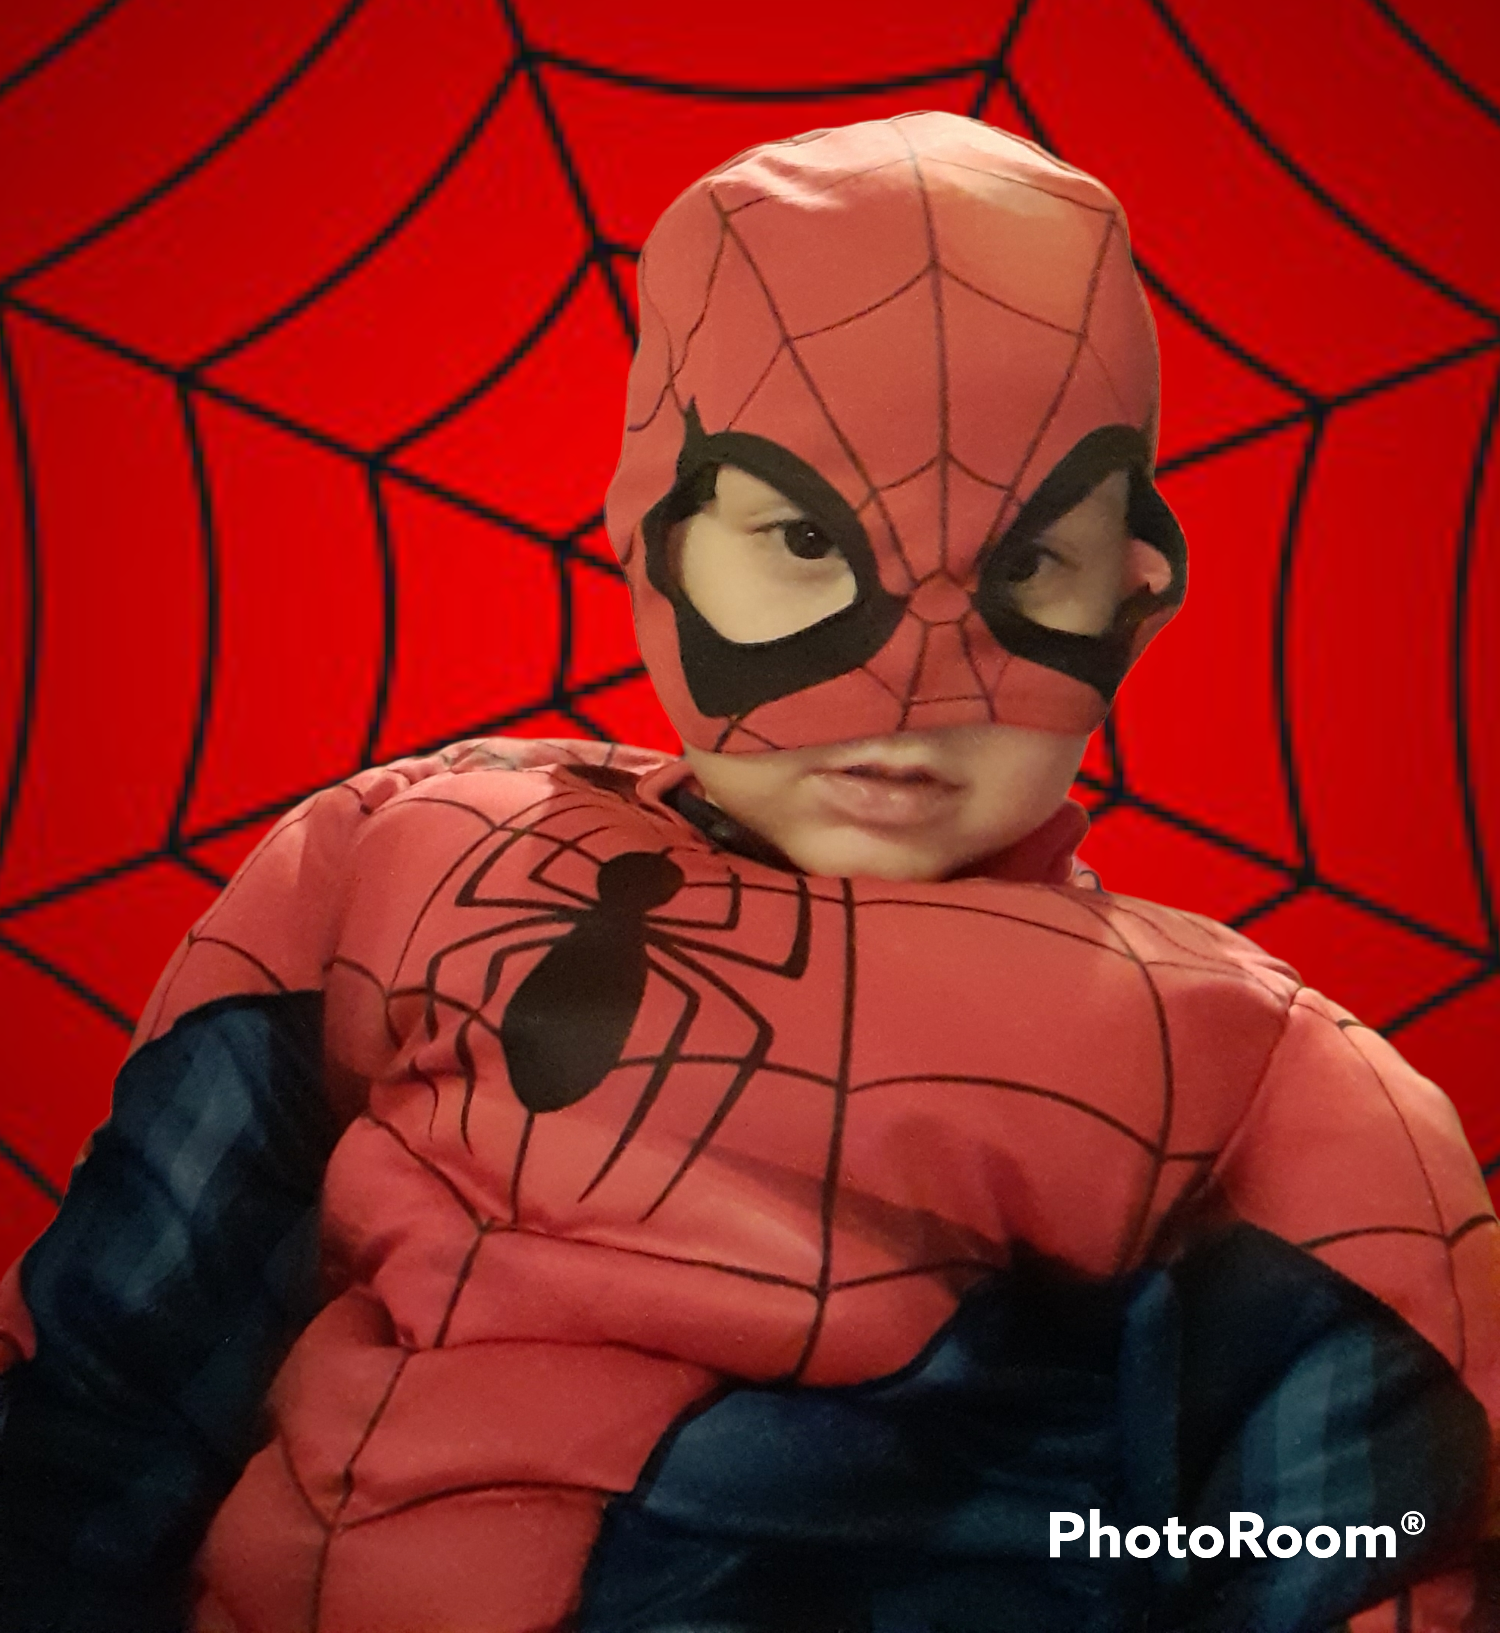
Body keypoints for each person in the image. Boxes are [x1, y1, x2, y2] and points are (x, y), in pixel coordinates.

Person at [0, 113, 1495, 1633]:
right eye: (804, 540)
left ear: (1138, 586)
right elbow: (104, 1392)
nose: (912, 685)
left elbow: (1357, 1553)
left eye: (1025, 564)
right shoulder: (402, 852)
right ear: (652, 547)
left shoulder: (1259, 1078)